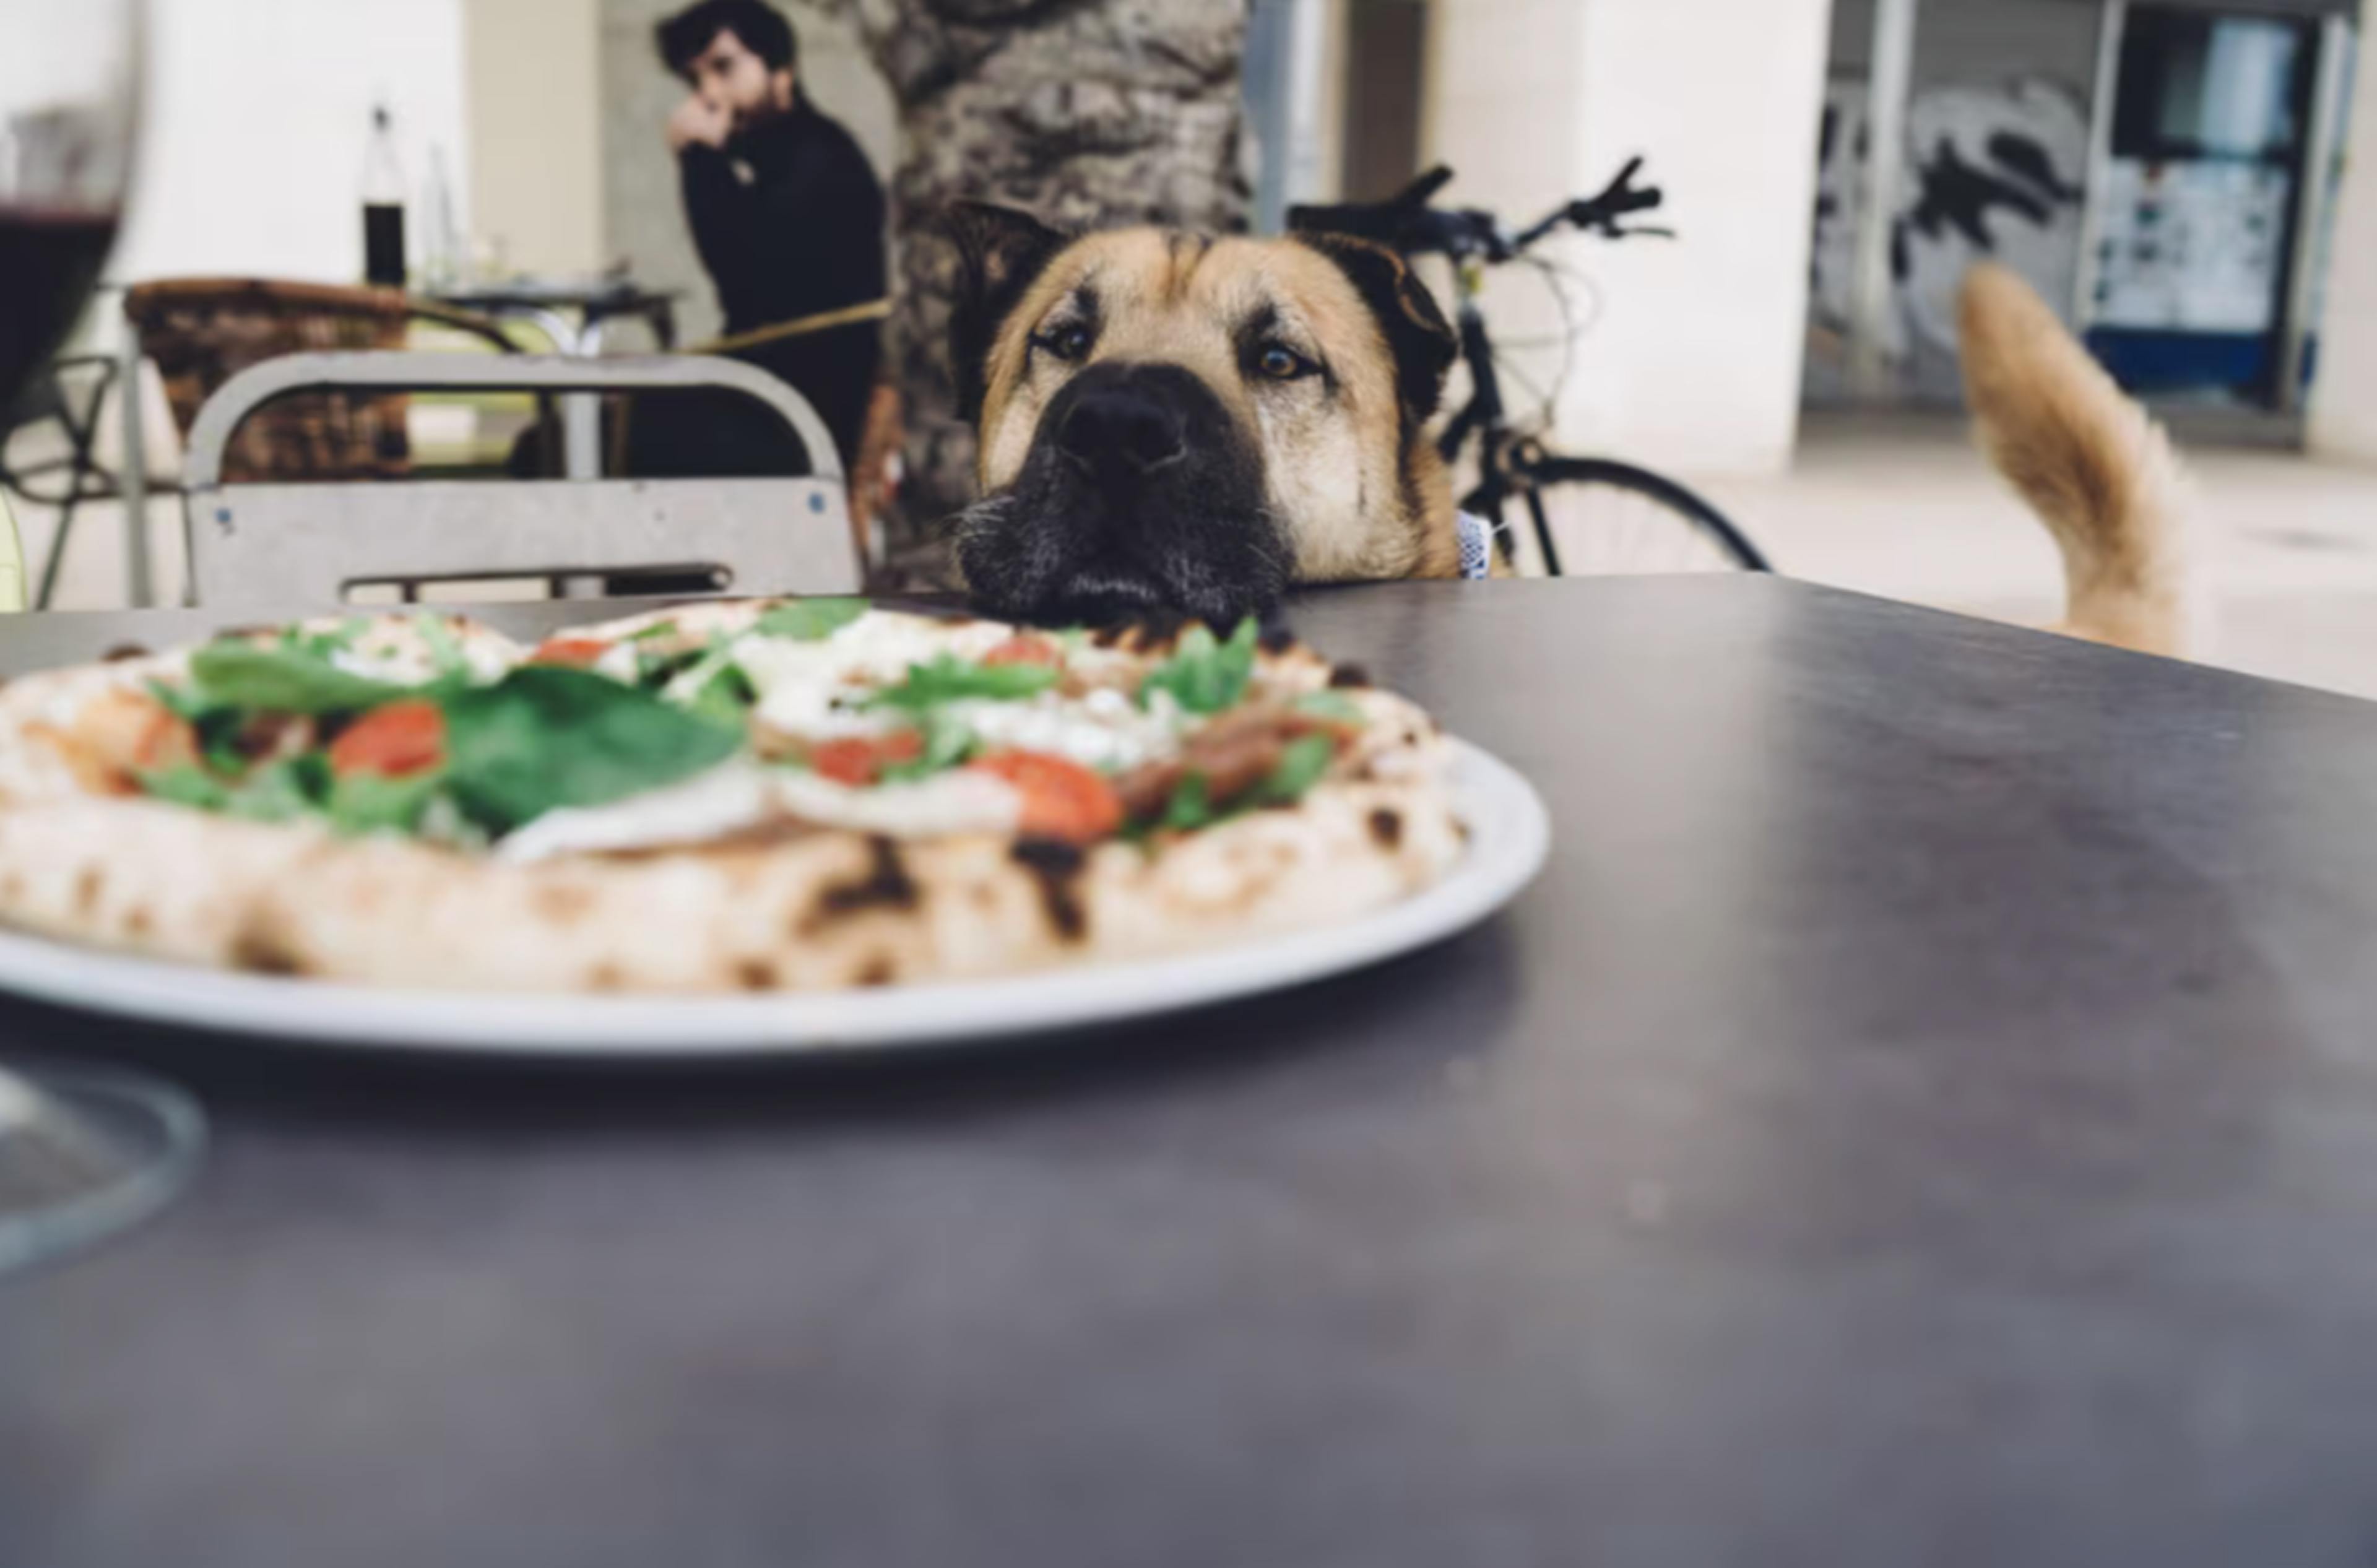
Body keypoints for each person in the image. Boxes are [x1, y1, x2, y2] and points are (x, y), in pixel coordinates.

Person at [635, 0, 888, 477]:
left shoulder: (820, 160)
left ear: (781, 69)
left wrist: (698, 159)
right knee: (581, 429)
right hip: (764, 387)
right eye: (695, 80)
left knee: (579, 439)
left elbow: (742, 278)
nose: (709, 93)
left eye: (724, 68)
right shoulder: (780, 154)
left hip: (795, 405)